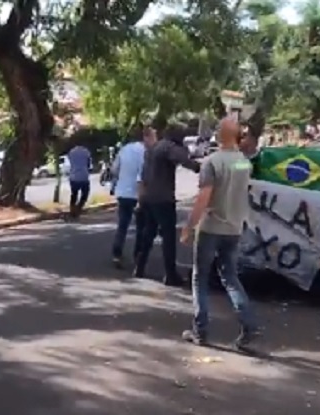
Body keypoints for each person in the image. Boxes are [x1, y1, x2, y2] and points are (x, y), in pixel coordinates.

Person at [179, 117, 260, 348]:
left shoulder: (211, 162)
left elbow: (203, 199)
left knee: (200, 278)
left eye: (217, 129)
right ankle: (249, 326)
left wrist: (189, 226)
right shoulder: (244, 163)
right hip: (234, 228)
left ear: (221, 135)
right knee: (230, 278)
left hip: (211, 227)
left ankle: (201, 331)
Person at [135, 127, 201, 286]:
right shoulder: (168, 147)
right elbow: (184, 160)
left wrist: (141, 198)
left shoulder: (152, 149)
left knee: (148, 233)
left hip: (149, 197)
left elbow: (144, 175)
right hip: (163, 198)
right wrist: (198, 167)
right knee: (168, 237)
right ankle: (170, 275)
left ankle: (139, 267)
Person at [109, 127, 154, 268]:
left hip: (123, 192)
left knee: (122, 225)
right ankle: (137, 256)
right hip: (139, 194)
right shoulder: (147, 152)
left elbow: (114, 169)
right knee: (141, 227)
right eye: (153, 137)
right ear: (145, 137)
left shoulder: (124, 149)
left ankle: (117, 253)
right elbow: (144, 175)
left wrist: (122, 178)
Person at [66, 141, 92, 219]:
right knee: (85, 194)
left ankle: (72, 210)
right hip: (83, 176)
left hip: (73, 176)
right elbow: (88, 163)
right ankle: (78, 208)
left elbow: (70, 163)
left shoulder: (71, 152)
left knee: (74, 195)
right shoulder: (86, 151)